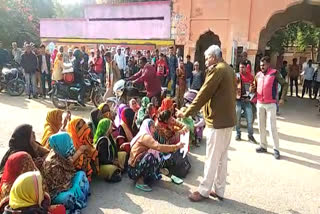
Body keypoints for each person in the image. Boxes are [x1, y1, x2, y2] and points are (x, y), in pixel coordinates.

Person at [176, 45, 236, 202]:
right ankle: (220, 190)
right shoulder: (229, 69)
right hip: (227, 120)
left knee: (212, 157)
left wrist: (186, 112)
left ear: (214, 57)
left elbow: (204, 93)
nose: (206, 61)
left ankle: (203, 191)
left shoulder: (217, 70)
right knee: (222, 157)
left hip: (217, 121)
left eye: (207, 58)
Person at [128, 119, 184, 192]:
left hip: (137, 166)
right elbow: (159, 147)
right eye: (153, 127)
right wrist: (176, 146)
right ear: (148, 127)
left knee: (158, 155)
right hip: (133, 170)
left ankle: (158, 172)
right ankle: (140, 181)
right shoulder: (145, 137)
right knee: (149, 157)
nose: (155, 129)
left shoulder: (146, 135)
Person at [42, 133, 90, 213]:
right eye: (68, 143)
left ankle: (76, 197)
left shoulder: (60, 154)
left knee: (81, 174)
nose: (70, 145)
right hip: (56, 193)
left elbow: (70, 171)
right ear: (62, 144)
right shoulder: (52, 164)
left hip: (67, 185)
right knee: (68, 198)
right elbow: (59, 186)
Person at [253, 56, 288, 160]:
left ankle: (276, 149)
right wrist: (252, 89)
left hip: (271, 104)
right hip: (260, 103)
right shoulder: (258, 75)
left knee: (272, 127)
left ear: (268, 64)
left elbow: (285, 84)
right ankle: (263, 145)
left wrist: (282, 98)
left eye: (263, 65)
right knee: (261, 126)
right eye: (260, 65)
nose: (262, 67)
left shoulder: (275, 73)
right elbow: (254, 86)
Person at [67, 117, 99, 181]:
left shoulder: (84, 138)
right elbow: (70, 160)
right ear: (74, 128)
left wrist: (87, 148)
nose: (82, 130)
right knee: (82, 157)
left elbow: (90, 148)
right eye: (79, 128)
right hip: (73, 165)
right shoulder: (69, 140)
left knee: (94, 152)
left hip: (83, 159)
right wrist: (80, 150)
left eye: (83, 127)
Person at [235, 61, 257, 144]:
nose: (241, 69)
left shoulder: (251, 77)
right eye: (240, 67)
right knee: (237, 116)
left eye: (243, 67)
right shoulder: (236, 76)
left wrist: (250, 98)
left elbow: (254, 88)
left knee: (250, 117)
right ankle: (238, 133)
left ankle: (250, 135)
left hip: (247, 101)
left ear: (246, 68)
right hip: (238, 100)